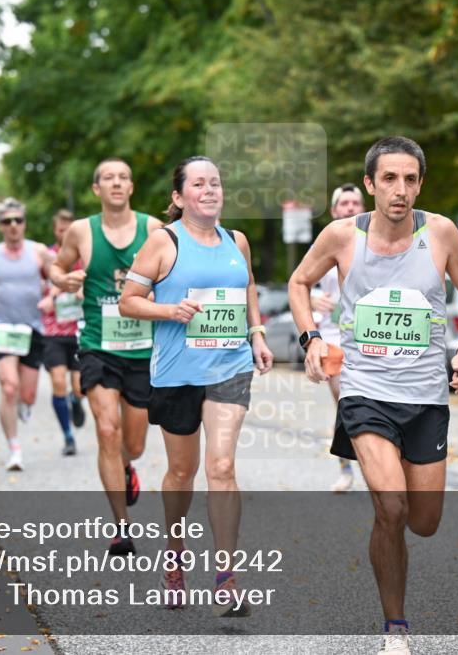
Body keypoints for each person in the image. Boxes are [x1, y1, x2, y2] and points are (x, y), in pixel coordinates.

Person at [288, 137, 458, 655]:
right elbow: (298, 282)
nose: (401, 190)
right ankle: (394, 626)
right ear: (371, 184)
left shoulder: (440, 232)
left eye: (411, 179)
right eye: (390, 179)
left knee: (423, 521)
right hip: (365, 391)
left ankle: (395, 583)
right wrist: (311, 339)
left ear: (421, 183)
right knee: (391, 507)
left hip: (426, 396)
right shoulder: (341, 235)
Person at [120, 155, 273, 614]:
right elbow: (129, 302)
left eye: (216, 183)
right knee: (182, 473)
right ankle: (174, 552)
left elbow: (247, 288)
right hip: (177, 373)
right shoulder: (163, 243)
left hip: (229, 366)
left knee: (221, 467)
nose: (209, 190)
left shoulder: (236, 240)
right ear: (178, 196)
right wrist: (170, 311)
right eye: (199, 184)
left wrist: (257, 333)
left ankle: (225, 577)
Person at [50, 158, 163, 555]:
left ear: (131, 187)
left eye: (123, 177)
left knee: (134, 443)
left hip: (143, 348)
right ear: (97, 189)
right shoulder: (82, 230)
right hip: (98, 343)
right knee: (106, 431)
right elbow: (56, 266)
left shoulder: (152, 228)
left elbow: (172, 269)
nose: (116, 183)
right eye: (108, 178)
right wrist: (61, 279)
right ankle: (121, 528)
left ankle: (126, 467)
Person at [0, 198, 54, 471]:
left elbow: (59, 275)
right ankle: (14, 449)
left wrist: (53, 296)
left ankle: (24, 405)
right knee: (9, 388)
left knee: (27, 395)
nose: (14, 225)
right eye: (7, 221)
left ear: (24, 223)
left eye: (18, 220)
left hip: (32, 329)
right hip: (2, 327)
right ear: (0, 226)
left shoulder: (38, 252)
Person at [314, 183, 366, 492]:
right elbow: (301, 281)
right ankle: (346, 468)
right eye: (344, 203)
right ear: (334, 211)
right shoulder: (326, 241)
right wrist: (310, 299)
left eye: (355, 202)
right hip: (334, 336)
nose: (349, 207)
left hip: (369, 337)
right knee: (345, 401)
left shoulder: (377, 241)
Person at [39, 209, 86, 456]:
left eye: (69, 230)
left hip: (78, 329)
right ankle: (68, 436)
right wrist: (45, 296)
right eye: (61, 230)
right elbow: (36, 284)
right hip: (53, 331)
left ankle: (77, 401)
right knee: (58, 381)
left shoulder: (83, 254)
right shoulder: (47, 257)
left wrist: (84, 290)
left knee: (78, 387)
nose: (65, 234)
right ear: (55, 231)